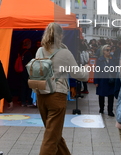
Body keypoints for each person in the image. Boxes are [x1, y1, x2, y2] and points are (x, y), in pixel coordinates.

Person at [36, 23, 88, 155]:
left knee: (53, 133)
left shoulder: (40, 50)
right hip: (57, 95)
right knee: (51, 137)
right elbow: (79, 75)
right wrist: (87, 71)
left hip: (41, 95)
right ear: (60, 35)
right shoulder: (65, 53)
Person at [94, 44, 116, 116]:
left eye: (110, 50)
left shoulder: (113, 59)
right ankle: (101, 109)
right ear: (103, 51)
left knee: (111, 96)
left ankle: (110, 110)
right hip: (102, 80)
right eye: (107, 50)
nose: (109, 52)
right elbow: (97, 71)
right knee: (101, 95)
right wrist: (96, 81)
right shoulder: (100, 60)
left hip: (111, 80)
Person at [19, 38, 34, 107]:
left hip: (20, 70)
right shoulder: (28, 53)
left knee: (23, 86)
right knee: (29, 86)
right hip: (27, 71)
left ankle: (22, 101)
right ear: (29, 44)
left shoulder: (20, 52)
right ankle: (29, 101)